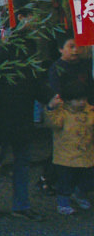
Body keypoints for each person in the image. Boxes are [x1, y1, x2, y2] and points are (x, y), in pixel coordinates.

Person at [0, 0, 52, 220]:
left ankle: (19, 204)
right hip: (1, 113)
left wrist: (48, 97)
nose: (33, 20)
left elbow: (34, 78)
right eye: (28, 15)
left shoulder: (25, 43)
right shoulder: (0, 43)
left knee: (18, 160)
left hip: (18, 112)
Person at [45, 79, 94, 215]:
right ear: (68, 99)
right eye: (77, 99)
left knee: (88, 178)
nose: (82, 102)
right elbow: (52, 123)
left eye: (84, 99)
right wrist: (50, 108)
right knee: (65, 181)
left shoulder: (90, 111)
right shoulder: (62, 113)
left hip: (87, 153)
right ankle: (63, 203)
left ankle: (79, 194)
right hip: (66, 156)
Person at [48, 31, 94, 102]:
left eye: (79, 46)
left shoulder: (87, 64)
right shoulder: (55, 69)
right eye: (71, 47)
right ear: (60, 49)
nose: (76, 50)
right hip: (67, 108)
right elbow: (57, 94)